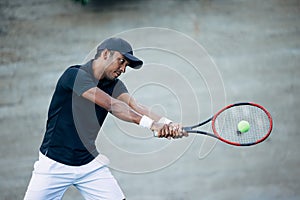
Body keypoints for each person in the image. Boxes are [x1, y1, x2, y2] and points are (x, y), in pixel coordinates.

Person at [24, 37, 187, 200]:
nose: (123, 69)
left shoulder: (114, 85)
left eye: (126, 66)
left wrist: (168, 124)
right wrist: (152, 125)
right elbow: (111, 105)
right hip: (54, 163)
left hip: (88, 163)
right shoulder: (74, 75)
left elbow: (136, 107)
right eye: (121, 61)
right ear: (105, 54)